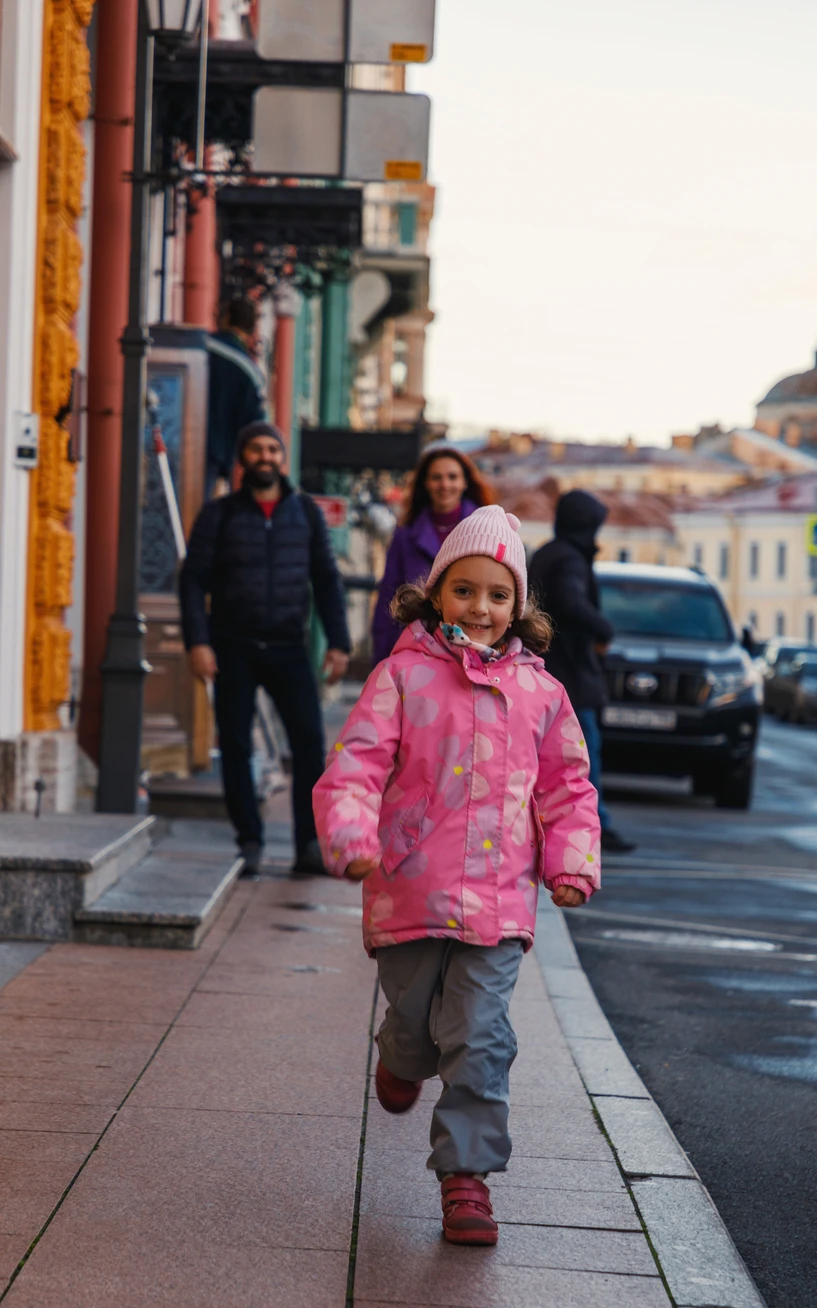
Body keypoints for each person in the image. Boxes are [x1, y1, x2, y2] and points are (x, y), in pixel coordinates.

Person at [314, 506, 600, 1246]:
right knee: (414, 1026)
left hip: (501, 903)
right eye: (465, 590)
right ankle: (399, 1057)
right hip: (409, 886)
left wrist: (570, 861)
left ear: (518, 606)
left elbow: (567, 788)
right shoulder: (400, 679)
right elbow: (356, 766)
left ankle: (466, 1180)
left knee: (480, 1036)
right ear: (437, 593)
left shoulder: (542, 695)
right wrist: (351, 836)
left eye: (497, 595)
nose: (480, 608)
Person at [179, 421, 351, 878]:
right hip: (231, 646)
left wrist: (338, 642)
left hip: (287, 647)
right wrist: (197, 641)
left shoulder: (306, 514)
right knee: (235, 745)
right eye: (255, 449)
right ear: (243, 459)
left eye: (273, 449)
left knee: (310, 745)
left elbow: (327, 580)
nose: (265, 457)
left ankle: (308, 845)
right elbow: (192, 580)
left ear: (282, 457)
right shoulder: (218, 515)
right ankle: (250, 840)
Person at [528, 490, 635, 854]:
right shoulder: (570, 559)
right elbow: (572, 603)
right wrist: (604, 629)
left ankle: (572, 823)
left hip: (549, 672)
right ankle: (596, 825)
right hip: (570, 674)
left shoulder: (548, 552)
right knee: (583, 754)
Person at [371, 446, 497, 663]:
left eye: (452, 477)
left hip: (473, 648)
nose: (444, 485)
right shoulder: (406, 535)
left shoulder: (488, 530)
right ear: (425, 484)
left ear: (464, 482)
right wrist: (383, 658)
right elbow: (388, 595)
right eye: (436, 477)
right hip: (418, 651)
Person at [206, 296, 267, 498]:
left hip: (174, 441)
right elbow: (253, 427)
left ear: (227, 317)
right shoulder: (251, 373)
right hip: (215, 459)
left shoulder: (201, 349)